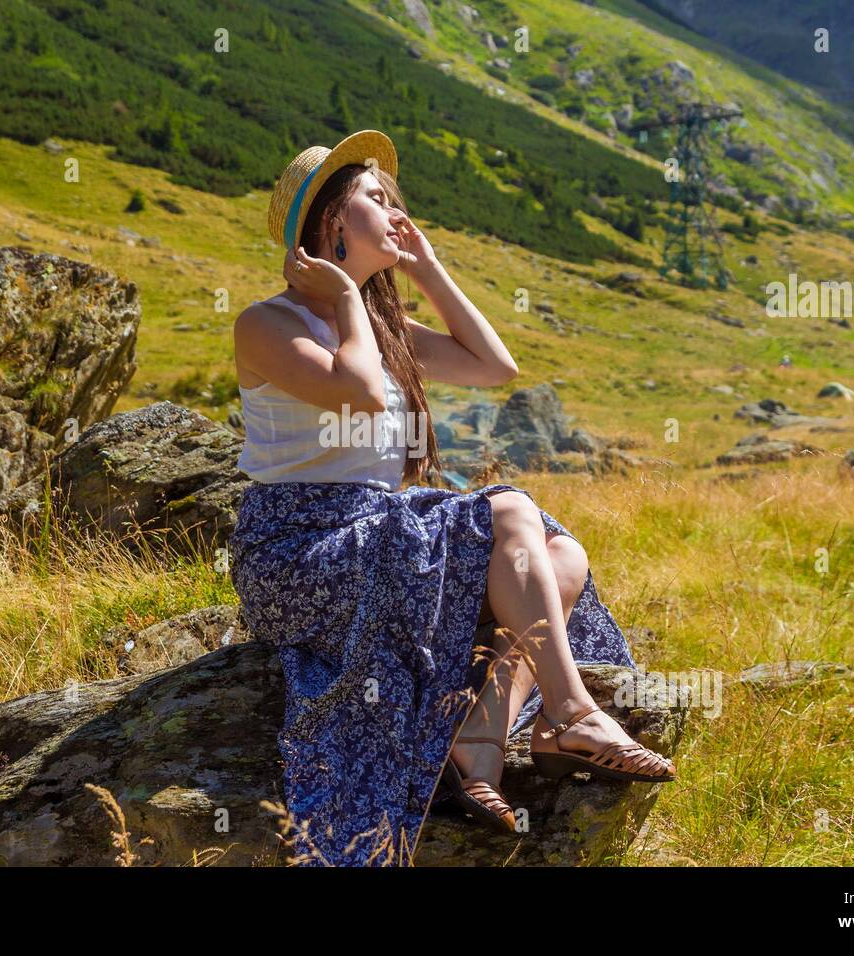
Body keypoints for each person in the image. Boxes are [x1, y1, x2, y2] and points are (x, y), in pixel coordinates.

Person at [228, 129, 675, 867]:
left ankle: (483, 733)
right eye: (378, 199)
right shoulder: (268, 324)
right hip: (297, 552)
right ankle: (570, 714)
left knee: (561, 555)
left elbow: (494, 366)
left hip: (374, 532)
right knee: (506, 512)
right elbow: (363, 392)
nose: (398, 212)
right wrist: (343, 296)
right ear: (332, 222)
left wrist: (427, 267)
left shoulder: (380, 328)